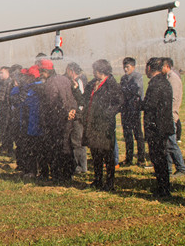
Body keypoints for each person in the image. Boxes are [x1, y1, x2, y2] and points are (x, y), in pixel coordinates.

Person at [83, 59, 123, 192]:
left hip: (105, 125)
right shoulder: (92, 84)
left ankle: (110, 182)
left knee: (107, 154)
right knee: (95, 153)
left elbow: (120, 102)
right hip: (92, 123)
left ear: (100, 71)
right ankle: (98, 179)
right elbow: (85, 98)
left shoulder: (111, 84)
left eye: (95, 70)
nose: (93, 72)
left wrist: (108, 113)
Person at [39, 58, 77, 181]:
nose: (40, 74)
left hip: (56, 120)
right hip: (68, 119)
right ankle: (68, 173)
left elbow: (53, 103)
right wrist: (72, 110)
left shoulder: (50, 83)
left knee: (56, 148)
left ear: (46, 71)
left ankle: (57, 174)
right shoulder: (64, 79)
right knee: (66, 145)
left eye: (41, 72)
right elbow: (72, 97)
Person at [142, 58, 175, 198]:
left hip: (157, 127)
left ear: (149, 68)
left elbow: (150, 104)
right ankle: (163, 186)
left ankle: (164, 188)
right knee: (160, 157)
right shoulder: (164, 81)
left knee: (158, 158)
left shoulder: (156, 83)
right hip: (163, 125)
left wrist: (138, 104)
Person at [161, 58, 185, 177]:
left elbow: (174, 99)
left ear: (167, 66)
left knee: (171, 143)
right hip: (166, 116)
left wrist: (170, 115)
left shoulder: (173, 79)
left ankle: (181, 168)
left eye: (161, 66)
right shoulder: (167, 78)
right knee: (167, 143)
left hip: (170, 116)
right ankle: (168, 169)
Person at [119, 57, 145, 167]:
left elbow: (136, 91)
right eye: (124, 67)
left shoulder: (137, 77)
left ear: (133, 67)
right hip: (125, 110)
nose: (125, 69)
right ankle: (128, 158)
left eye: (127, 67)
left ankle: (141, 158)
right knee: (127, 134)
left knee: (138, 134)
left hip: (134, 109)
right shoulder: (123, 78)